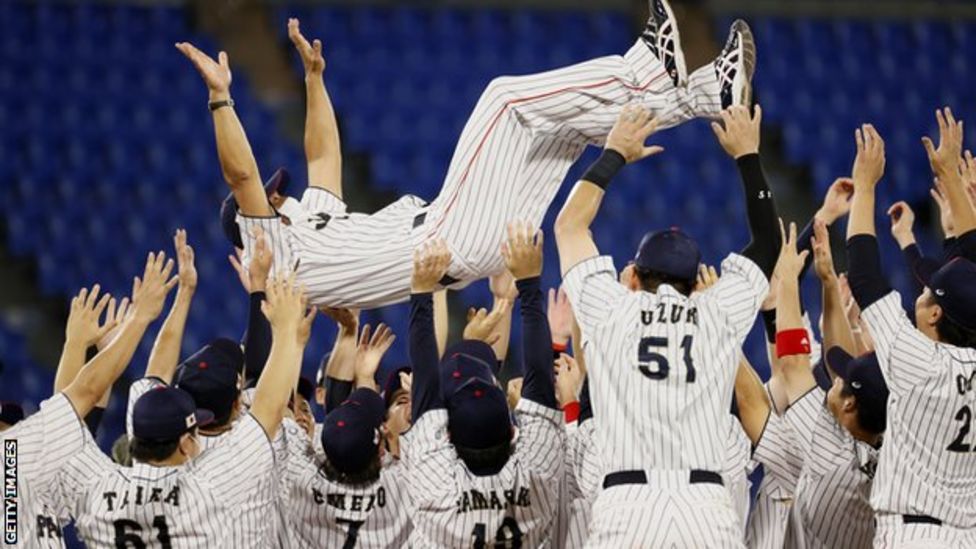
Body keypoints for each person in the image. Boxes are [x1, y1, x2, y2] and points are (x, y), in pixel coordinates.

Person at [176, 4, 756, 308]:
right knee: (504, 99)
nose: (284, 192)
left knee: (563, 127)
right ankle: (647, 67)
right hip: (446, 239)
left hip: (464, 245)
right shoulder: (268, 253)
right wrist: (221, 98)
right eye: (274, 196)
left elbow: (322, 155)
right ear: (254, 216)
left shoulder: (307, 226)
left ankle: (708, 95)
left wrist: (313, 78)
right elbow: (241, 172)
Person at [553, 98, 780, 546]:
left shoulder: (614, 306)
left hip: (628, 505)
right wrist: (748, 157)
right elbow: (769, 240)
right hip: (706, 508)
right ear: (697, 280)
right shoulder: (715, 311)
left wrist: (614, 152)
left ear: (634, 275)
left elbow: (569, 227)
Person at [54, 272, 316, 547]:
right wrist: (287, 332)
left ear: (135, 434)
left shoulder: (97, 491)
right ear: (185, 444)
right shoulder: (208, 489)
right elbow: (269, 408)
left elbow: (68, 414)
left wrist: (76, 343)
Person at [845, 110, 976, 548]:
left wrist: (863, 186)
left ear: (936, 315)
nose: (920, 293)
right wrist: (952, 181)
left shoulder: (918, 362)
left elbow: (864, 279)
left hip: (914, 534)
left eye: (927, 294)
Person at [1, 251, 178, 546]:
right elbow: (80, 397)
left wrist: (82, 346)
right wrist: (139, 318)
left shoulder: (25, 473)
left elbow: (73, 431)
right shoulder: (14, 453)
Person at [402, 225, 565, 547]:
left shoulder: (436, 491)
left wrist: (528, 286)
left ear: (448, 436)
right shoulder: (540, 477)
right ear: (511, 430)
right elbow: (542, 382)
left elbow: (540, 382)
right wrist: (528, 288)